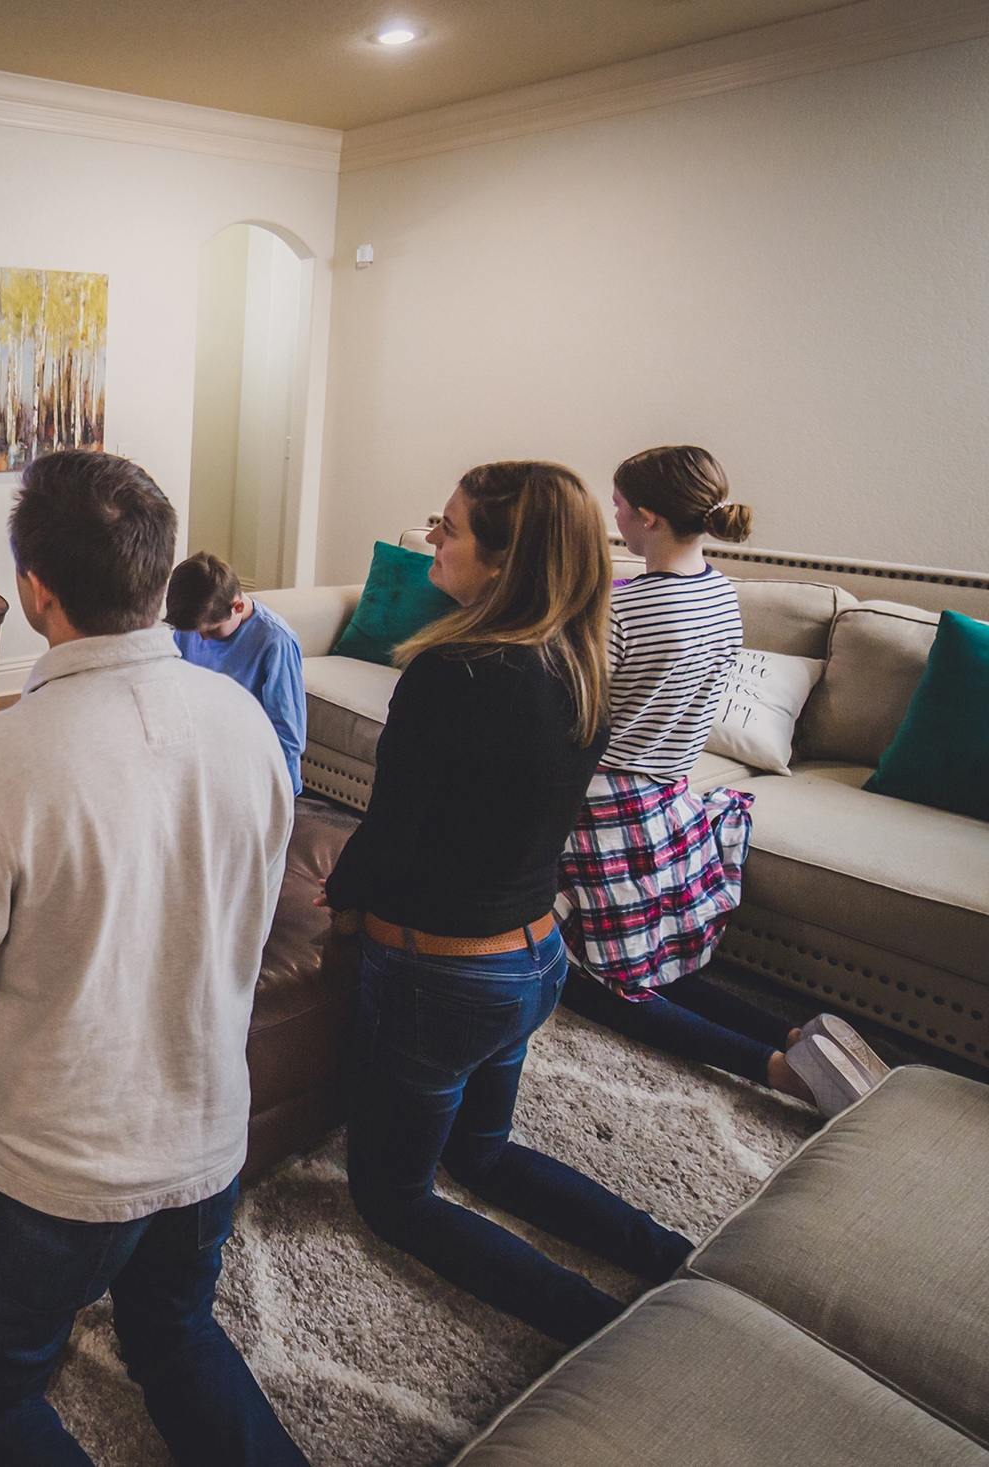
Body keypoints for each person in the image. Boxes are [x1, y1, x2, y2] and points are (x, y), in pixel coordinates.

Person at [0, 450, 307, 1467]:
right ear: (157, 576)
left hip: (45, 1173)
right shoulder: (247, 723)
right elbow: (246, 935)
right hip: (210, 1138)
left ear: (34, 594)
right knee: (174, 1335)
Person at [328, 461, 697, 1349]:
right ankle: (672, 1256)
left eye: (448, 528)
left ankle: (607, 1331)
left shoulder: (450, 676)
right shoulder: (584, 664)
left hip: (446, 982)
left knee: (393, 1196)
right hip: (537, 960)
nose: (434, 539)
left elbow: (387, 841)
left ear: (503, 562)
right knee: (481, 1151)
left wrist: (333, 901)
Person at [556, 446, 891, 1117]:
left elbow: (578, 711)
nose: (612, 514)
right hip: (671, 801)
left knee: (587, 976)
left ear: (647, 516)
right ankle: (798, 1034)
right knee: (656, 965)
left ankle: (772, 1066)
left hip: (604, 807)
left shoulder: (622, 609)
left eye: (618, 504)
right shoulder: (720, 595)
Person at [164, 550, 307, 795]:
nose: (201, 639)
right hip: (205, 766)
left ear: (237, 607)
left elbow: (289, 738)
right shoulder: (192, 628)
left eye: (211, 631)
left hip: (258, 778)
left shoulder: (276, 642)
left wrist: (226, 764)